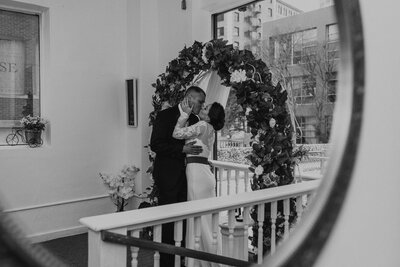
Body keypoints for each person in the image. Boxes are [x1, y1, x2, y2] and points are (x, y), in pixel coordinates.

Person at [150, 86, 206, 267]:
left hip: (189, 177)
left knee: (184, 219)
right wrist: (182, 149)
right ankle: (167, 262)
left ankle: (181, 258)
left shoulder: (195, 119)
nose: (202, 105)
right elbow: (156, 144)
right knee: (168, 220)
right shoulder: (165, 116)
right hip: (167, 175)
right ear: (189, 98)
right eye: (201, 101)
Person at [172, 99, 225, 267]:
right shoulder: (211, 130)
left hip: (197, 175)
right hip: (203, 174)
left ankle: (203, 262)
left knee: (198, 218)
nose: (204, 107)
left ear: (210, 116)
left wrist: (184, 115)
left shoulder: (202, 125)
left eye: (207, 107)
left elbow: (176, 134)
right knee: (206, 219)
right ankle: (206, 260)